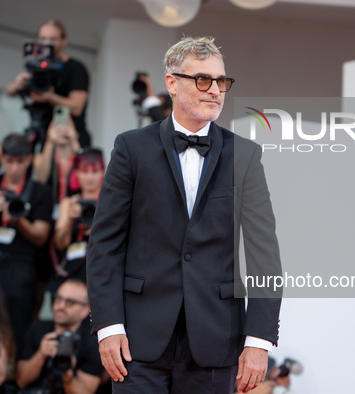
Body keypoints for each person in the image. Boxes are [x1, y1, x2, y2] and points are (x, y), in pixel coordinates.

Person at [86, 36, 282, 394]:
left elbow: (264, 256)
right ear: (172, 83)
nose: (216, 91)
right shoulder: (131, 148)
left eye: (222, 81)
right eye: (203, 80)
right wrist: (109, 326)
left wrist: (259, 340)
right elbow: (104, 245)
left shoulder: (246, 156)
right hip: (136, 339)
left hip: (217, 338)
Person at [0, 134, 53, 349]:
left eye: (20, 161)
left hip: (21, 264)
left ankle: (15, 374)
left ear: (29, 159)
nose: (14, 168)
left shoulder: (40, 192)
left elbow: (41, 237)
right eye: (10, 161)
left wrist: (18, 218)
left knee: (19, 324)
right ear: (1, 158)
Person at [5, 19, 91, 147]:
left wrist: (51, 98)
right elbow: (9, 90)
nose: (46, 43)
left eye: (52, 39)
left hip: (69, 138)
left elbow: (77, 107)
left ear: (64, 41)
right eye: (43, 38)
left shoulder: (75, 68)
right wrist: (18, 84)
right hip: (39, 134)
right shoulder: (35, 65)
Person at [16, 279, 103, 394]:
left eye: (69, 302)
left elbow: (86, 391)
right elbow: (21, 381)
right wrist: (41, 355)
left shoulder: (93, 343)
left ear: (85, 311)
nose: (61, 306)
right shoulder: (37, 329)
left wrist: (66, 373)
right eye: (58, 298)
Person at [48, 148, 104, 294]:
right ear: (76, 174)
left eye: (95, 172)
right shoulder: (68, 203)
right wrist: (70, 220)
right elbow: (60, 245)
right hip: (72, 268)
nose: (90, 178)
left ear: (103, 173)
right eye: (85, 172)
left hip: (100, 269)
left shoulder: (109, 203)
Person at [33, 118, 81, 209]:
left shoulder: (79, 155)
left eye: (67, 127)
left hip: (75, 208)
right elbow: (42, 178)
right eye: (58, 128)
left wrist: (74, 141)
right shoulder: (40, 157)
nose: (62, 130)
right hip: (47, 209)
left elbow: (85, 169)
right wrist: (50, 141)